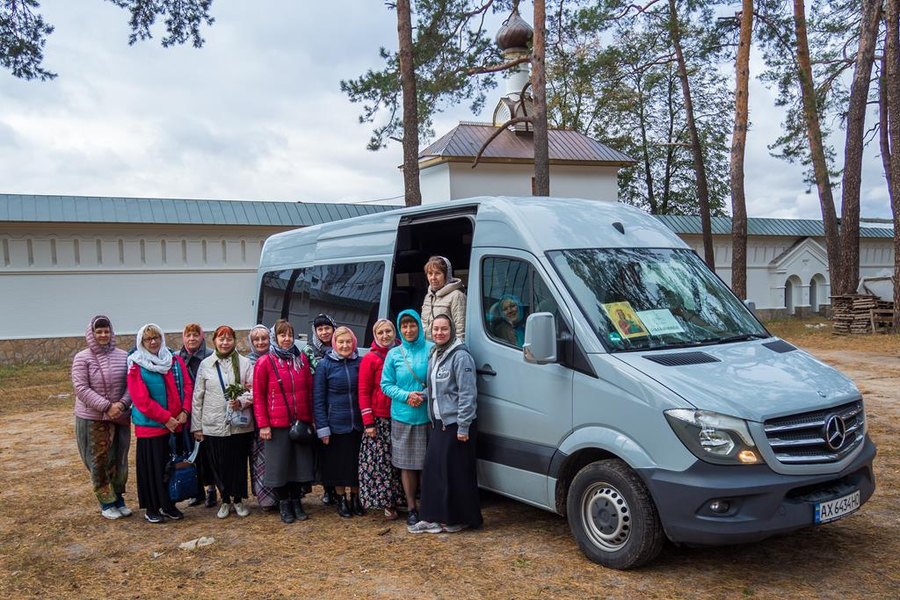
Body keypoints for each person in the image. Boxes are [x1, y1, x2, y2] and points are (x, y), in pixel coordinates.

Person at [408, 314, 482, 534]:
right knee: (434, 470)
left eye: (444, 329)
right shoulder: (435, 354)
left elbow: (468, 394)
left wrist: (463, 426)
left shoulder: (460, 357)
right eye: (436, 329)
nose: (439, 333)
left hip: (457, 424)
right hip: (439, 422)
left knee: (456, 473)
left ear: (452, 331)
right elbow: (438, 389)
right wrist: (422, 395)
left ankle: (462, 518)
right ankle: (435, 517)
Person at [127, 324, 193, 524]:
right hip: (152, 426)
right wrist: (165, 418)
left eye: (156, 337)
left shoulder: (173, 360)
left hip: (175, 424)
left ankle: (169, 504)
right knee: (152, 469)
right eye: (148, 339)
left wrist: (184, 411)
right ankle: (152, 507)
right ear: (142, 343)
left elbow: (188, 385)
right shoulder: (136, 364)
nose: (153, 342)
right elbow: (141, 400)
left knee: (169, 467)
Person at [252, 319, 315, 524]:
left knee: (298, 466)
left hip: (299, 422)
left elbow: (309, 391)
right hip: (276, 424)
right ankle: (284, 504)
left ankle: (297, 501)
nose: (287, 339)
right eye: (282, 335)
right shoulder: (265, 362)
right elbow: (259, 396)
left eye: (289, 335)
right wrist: (263, 424)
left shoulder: (301, 360)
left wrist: (311, 419)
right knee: (279, 467)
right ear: (275, 337)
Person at [71, 315, 132, 520]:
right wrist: (106, 406)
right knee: (99, 460)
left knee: (119, 458)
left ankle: (118, 498)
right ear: (92, 334)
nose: (103, 335)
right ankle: (106, 503)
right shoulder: (82, 358)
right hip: (93, 418)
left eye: (106, 331)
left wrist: (121, 404)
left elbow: (131, 384)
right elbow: (81, 388)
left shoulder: (123, 356)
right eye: (99, 332)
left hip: (119, 416)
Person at [191, 326, 255, 518]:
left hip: (238, 424)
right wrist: (197, 426)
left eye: (229, 339)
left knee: (237, 463)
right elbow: (198, 396)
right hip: (213, 423)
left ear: (234, 341)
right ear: (214, 341)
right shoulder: (206, 365)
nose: (225, 342)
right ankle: (225, 499)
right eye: (221, 339)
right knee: (218, 464)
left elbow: (253, 390)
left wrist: (241, 401)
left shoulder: (244, 363)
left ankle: (238, 499)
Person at [380, 309, 433, 526]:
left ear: (419, 327)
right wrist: (406, 395)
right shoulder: (394, 354)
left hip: (428, 415)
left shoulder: (431, 349)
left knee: (428, 465)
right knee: (407, 465)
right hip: (403, 417)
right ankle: (412, 507)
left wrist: (424, 395)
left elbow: (440, 379)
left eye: (412, 325)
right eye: (404, 326)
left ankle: (429, 506)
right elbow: (386, 384)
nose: (408, 330)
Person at [313, 326, 364, 518]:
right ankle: (342, 500)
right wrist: (323, 428)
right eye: (341, 342)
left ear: (354, 343)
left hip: (357, 424)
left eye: (348, 342)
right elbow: (318, 399)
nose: (345, 345)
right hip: (335, 424)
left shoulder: (360, 362)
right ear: (334, 344)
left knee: (355, 465)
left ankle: (356, 499)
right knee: (339, 465)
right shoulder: (325, 365)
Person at [357, 318, 404, 520]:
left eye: (389, 331)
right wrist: (368, 421)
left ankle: (402, 499)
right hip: (380, 418)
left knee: (400, 461)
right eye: (381, 332)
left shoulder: (403, 352)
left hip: (402, 415)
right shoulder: (370, 358)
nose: (385, 336)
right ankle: (388, 503)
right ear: (375, 336)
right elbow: (363, 391)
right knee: (382, 464)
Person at [301, 312, 339, 505]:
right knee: (323, 448)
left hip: (337, 404)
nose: (324, 332)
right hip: (319, 404)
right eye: (320, 329)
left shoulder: (340, 347)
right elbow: (307, 381)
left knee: (337, 447)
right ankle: (327, 488)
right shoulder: (308, 351)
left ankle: (339, 486)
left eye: (327, 328)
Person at [179, 323, 216, 508]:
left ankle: (211, 489)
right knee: (192, 452)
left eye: (195, 335)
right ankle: (197, 491)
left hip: (207, 409)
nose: (192, 339)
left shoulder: (210, 355)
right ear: (183, 337)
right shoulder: (178, 358)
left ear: (201, 337)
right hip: (186, 411)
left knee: (209, 453)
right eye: (188, 335)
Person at [245, 324, 277, 511]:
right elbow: (245, 388)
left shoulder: (276, 358)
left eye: (264, 338)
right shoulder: (247, 362)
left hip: (276, 415)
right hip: (257, 418)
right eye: (256, 339)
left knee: (275, 456)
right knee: (259, 459)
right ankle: (265, 498)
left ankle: (279, 494)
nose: (260, 342)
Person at [421, 256, 467, 342]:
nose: (433, 278)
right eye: (430, 274)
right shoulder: (428, 296)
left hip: (447, 350)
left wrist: (456, 350)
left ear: (447, 275)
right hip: (428, 349)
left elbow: (461, 330)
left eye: (437, 273)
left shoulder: (456, 295)